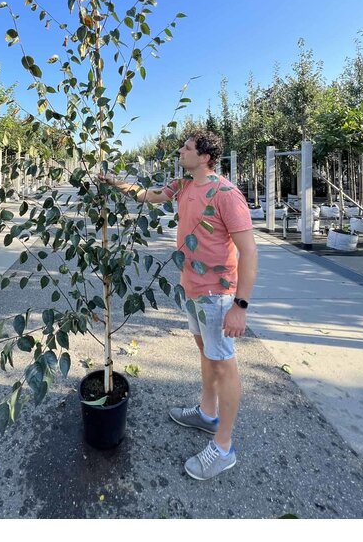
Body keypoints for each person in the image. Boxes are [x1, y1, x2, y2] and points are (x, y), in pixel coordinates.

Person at [101, 129, 257, 480]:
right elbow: (148, 195)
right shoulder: (185, 185)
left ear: (204, 156)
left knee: (223, 363)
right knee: (206, 350)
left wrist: (240, 305)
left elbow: (249, 251)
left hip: (217, 294)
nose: (180, 151)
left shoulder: (226, 194)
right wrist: (115, 183)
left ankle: (223, 447)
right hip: (192, 288)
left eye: (186, 148)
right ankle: (206, 412)